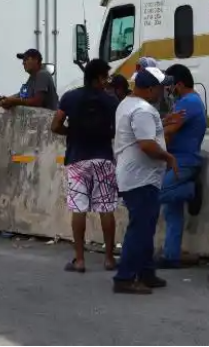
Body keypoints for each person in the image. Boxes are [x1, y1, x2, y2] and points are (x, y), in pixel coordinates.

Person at [112, 66, 177, 294]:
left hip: (136, 175)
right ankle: (125, 277)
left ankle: (146, 272)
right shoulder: (142, 110)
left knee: (145, 226)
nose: (163, 92)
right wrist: (169, 157)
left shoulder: (129, 104)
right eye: (160, 87)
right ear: (150, 89)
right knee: (140, 228)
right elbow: (147, 144)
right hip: (141, 177)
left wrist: (164, 120)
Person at [50, 59, 119, 272]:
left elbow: (55, 125)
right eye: (105, 77)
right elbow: (117, 129)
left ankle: (79, 260)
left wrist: (72, 132)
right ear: (98, 77)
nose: (107, 81)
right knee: (106, 207)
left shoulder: (70, 97)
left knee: (79, 208)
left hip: (77, 159)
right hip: (103, 159)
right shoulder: (111, 101)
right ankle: (109, 259)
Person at [157, 64, 207, 269]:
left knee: (153, 194)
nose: (168, 90)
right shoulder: (186, 102)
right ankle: (171, 255)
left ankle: (190, 191)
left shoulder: (189, 103)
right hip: (175, 160)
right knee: (172, 213)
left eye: (170, 85)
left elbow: (168, 131)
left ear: (179, 84)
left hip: (184, 162)